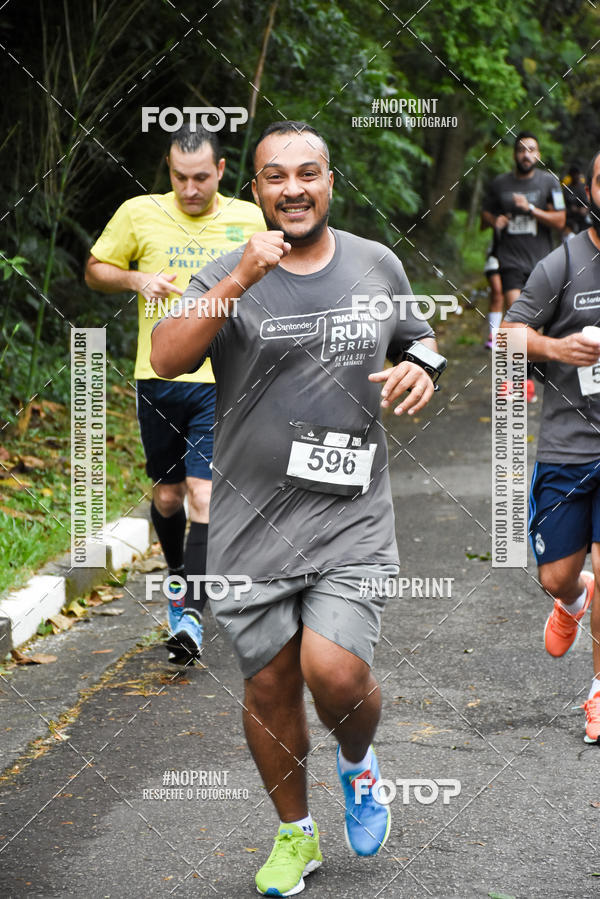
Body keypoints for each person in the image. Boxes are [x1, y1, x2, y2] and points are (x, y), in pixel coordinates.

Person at [151, 121, 444, 896]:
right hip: (250, 521)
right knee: (271, 685)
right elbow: (167, 355)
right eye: (275, 176)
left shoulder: (375, 263)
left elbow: (421, 338)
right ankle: (295, 835)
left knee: (333, 671)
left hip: (349, 513)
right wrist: (239, 279)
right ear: (255, 190)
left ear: (329, 181)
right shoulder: (227, 271)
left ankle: (357, 762)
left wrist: (422, 366)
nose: (293, 188)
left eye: (307, 173)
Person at [84, 125, 265, 663]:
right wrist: (136, 281)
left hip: (219, 379)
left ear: (222, 171)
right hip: (158, 377)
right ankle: (179, 574)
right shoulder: (139, 213)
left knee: (202, 494)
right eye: (180, 177)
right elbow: (94, 269)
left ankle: (188, 612)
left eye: (201, 178)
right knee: (166, 498)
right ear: (168, 171)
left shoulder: (248, 218)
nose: (190, 189)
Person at [502, 148, 600, 745]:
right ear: (589, 188)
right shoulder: (561, 265)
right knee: (556, 574)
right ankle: (572, 599)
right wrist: (560, 350)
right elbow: (507, 337)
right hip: (568, 446)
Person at [482, 131, 566, 398]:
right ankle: (518, 381)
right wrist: (494, 221)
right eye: (521, 150)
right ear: (514, 154)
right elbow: (486, 213)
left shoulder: (549, 182)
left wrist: (531, 209)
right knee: (517, 318)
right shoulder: (500, 184)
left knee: (534, 326)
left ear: (538, 155)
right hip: (510, 262)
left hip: (542, 263)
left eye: (531, 149)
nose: (526, 154)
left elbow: (561, 220)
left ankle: (528, 377)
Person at [561, 163, 590, 239]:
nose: (576, 176)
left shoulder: (585, 188)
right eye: (574, 174)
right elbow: (562, 208)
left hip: (585, 223)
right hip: (571, 223)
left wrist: (585, 209)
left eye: (578, 174)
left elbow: (592, 204)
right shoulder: (566, 190)